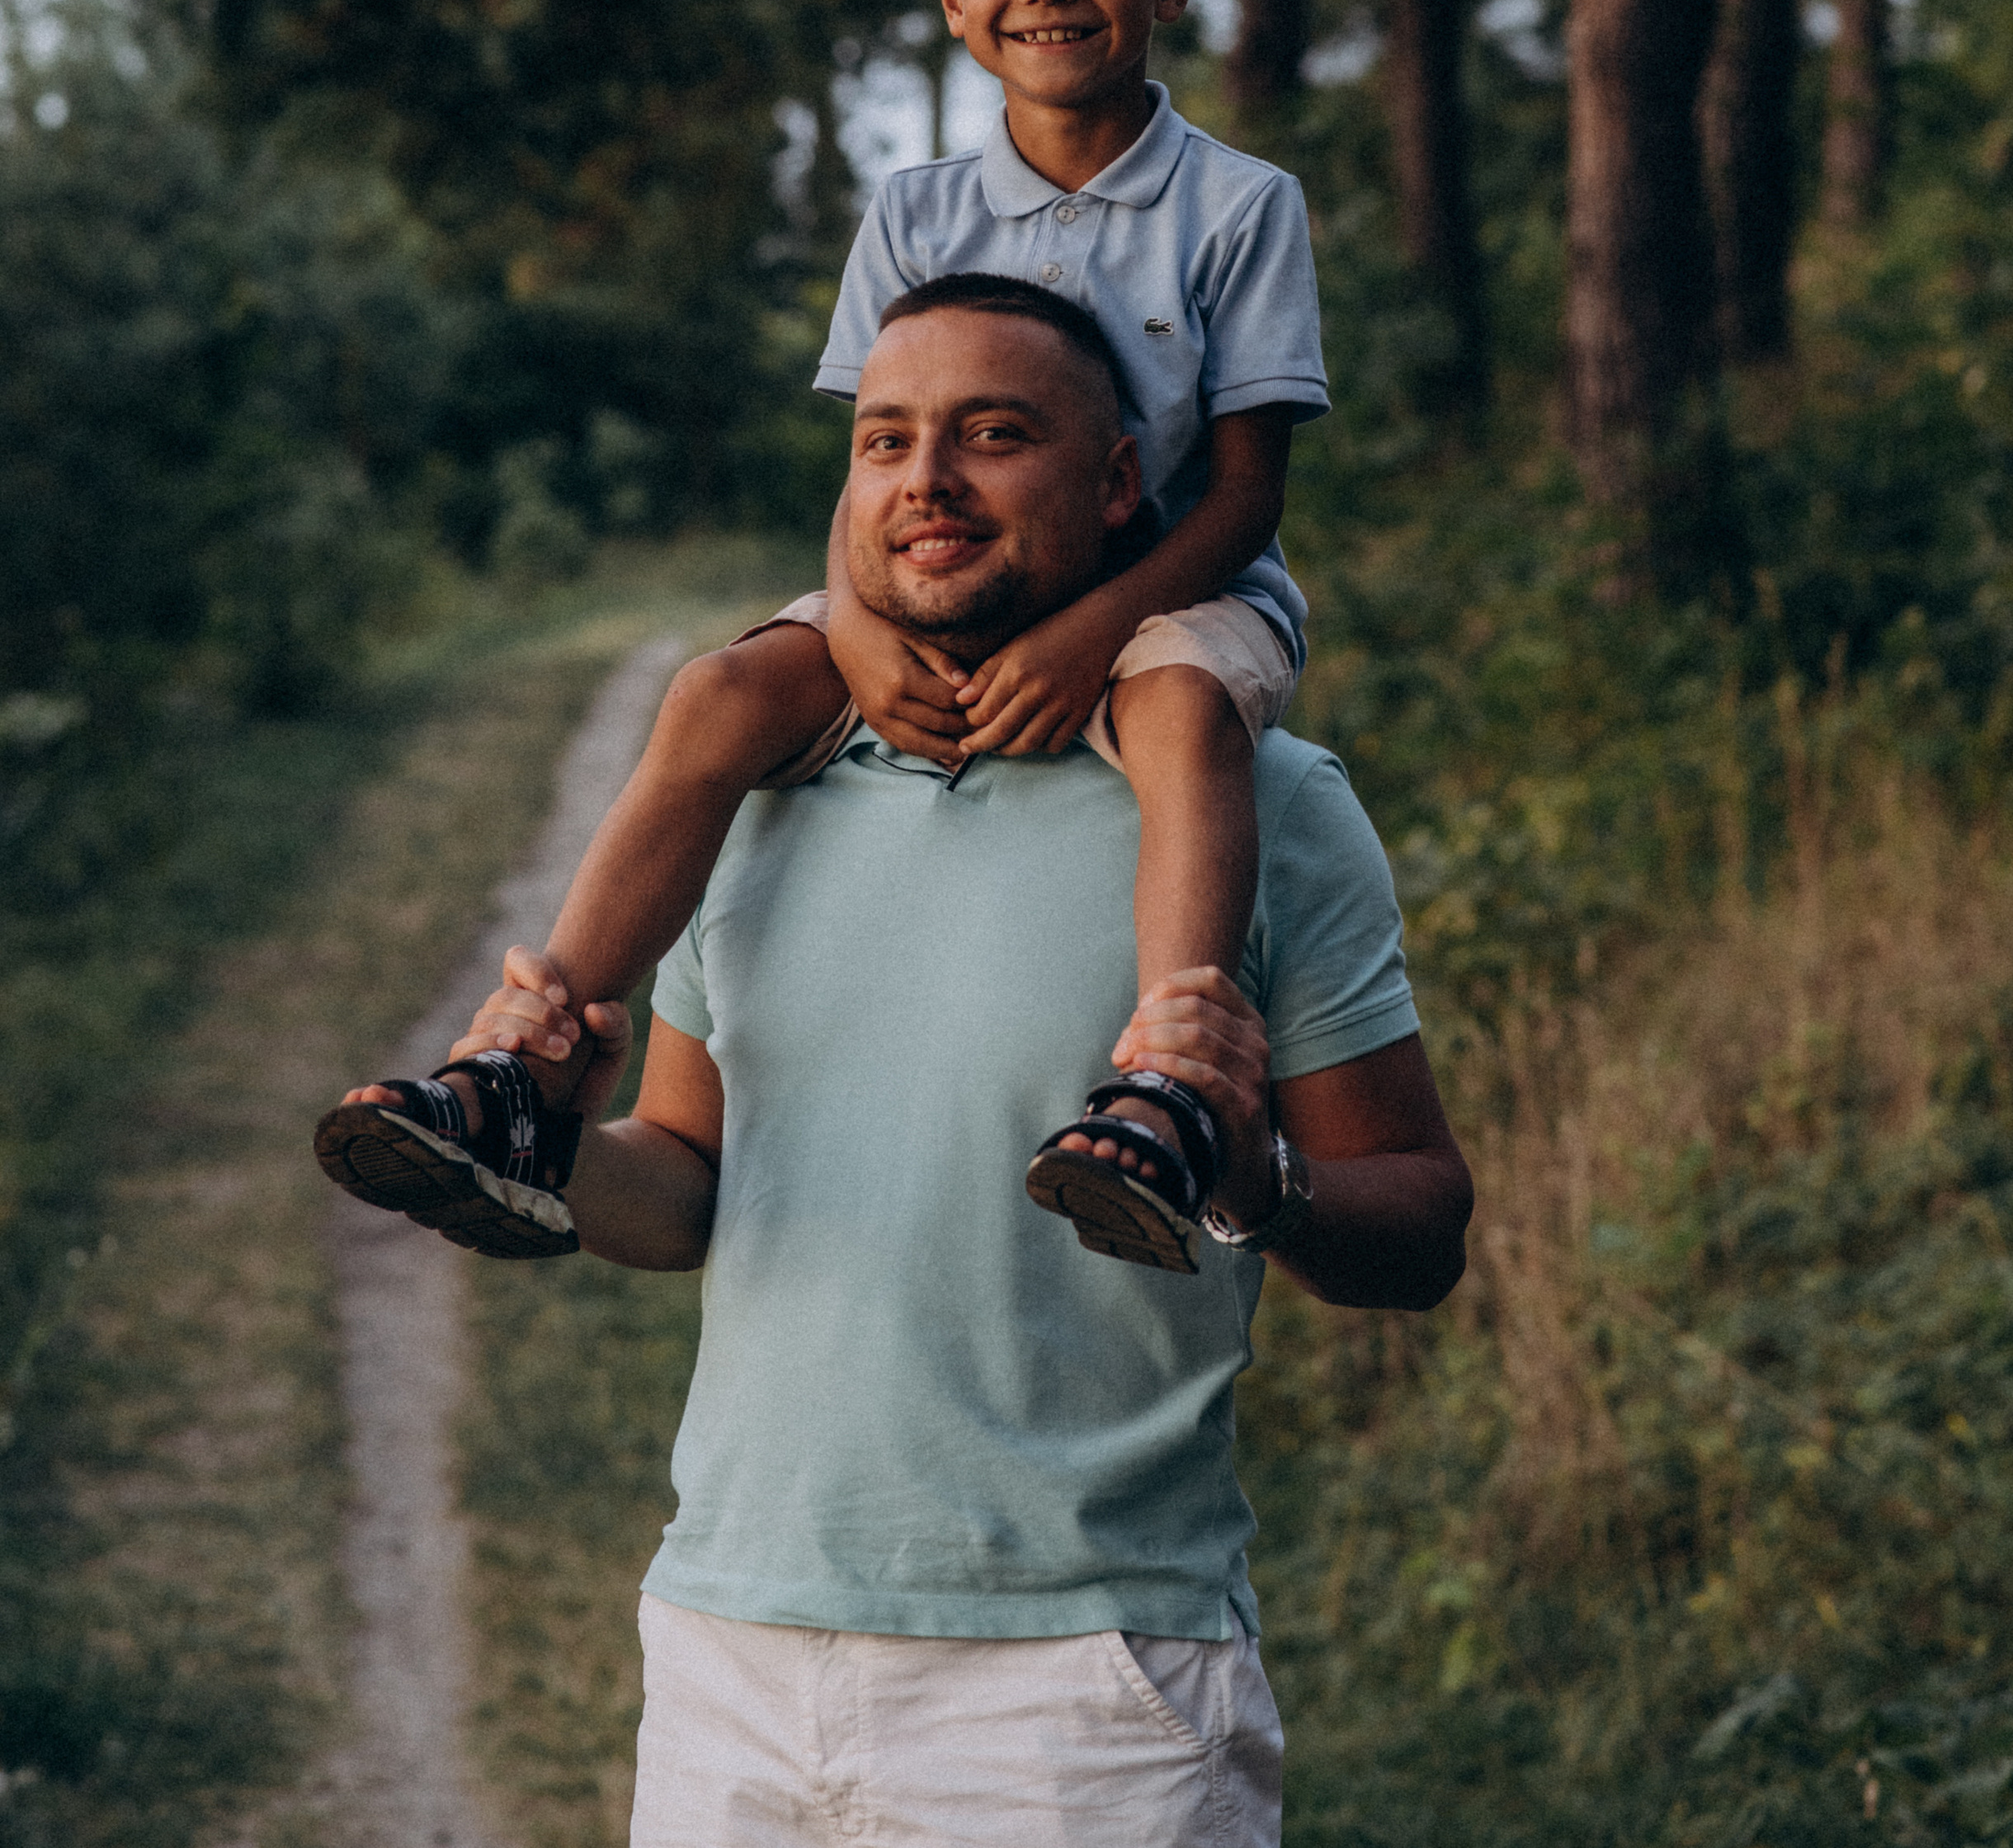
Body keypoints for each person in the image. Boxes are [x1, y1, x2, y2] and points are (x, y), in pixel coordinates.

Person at [446, 285, 1472, 1846]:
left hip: (1084, 1695)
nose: (928, 479)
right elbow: (687, 1194)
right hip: (733, 1653)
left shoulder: (1261, 803)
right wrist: (562, 1150)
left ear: (1117, 483)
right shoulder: (752, 798)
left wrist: (1255, 1176)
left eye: (995, 434)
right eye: (886, 440)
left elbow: (1423, 1224)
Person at [316, 0, 1327, 1273]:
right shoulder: (915, 213)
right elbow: (876, 466)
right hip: (938, 585)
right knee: (718, 692)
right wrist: (853, 627)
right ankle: (525, 1071)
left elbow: (1246, 496)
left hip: (1175, 592)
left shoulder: (1240, 207)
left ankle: (1173, 1085)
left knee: (1183, 711)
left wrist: (1089, 638)